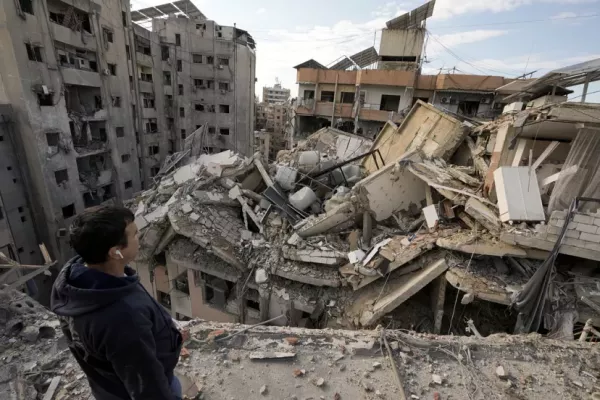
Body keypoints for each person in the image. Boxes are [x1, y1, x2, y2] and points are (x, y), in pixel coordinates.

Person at [51, 206, 183, 400]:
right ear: (115, 252)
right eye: (135, 234)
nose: (140, 237)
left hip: (107, 387)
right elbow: (148, 388)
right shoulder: (123, 317)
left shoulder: (73, 284)